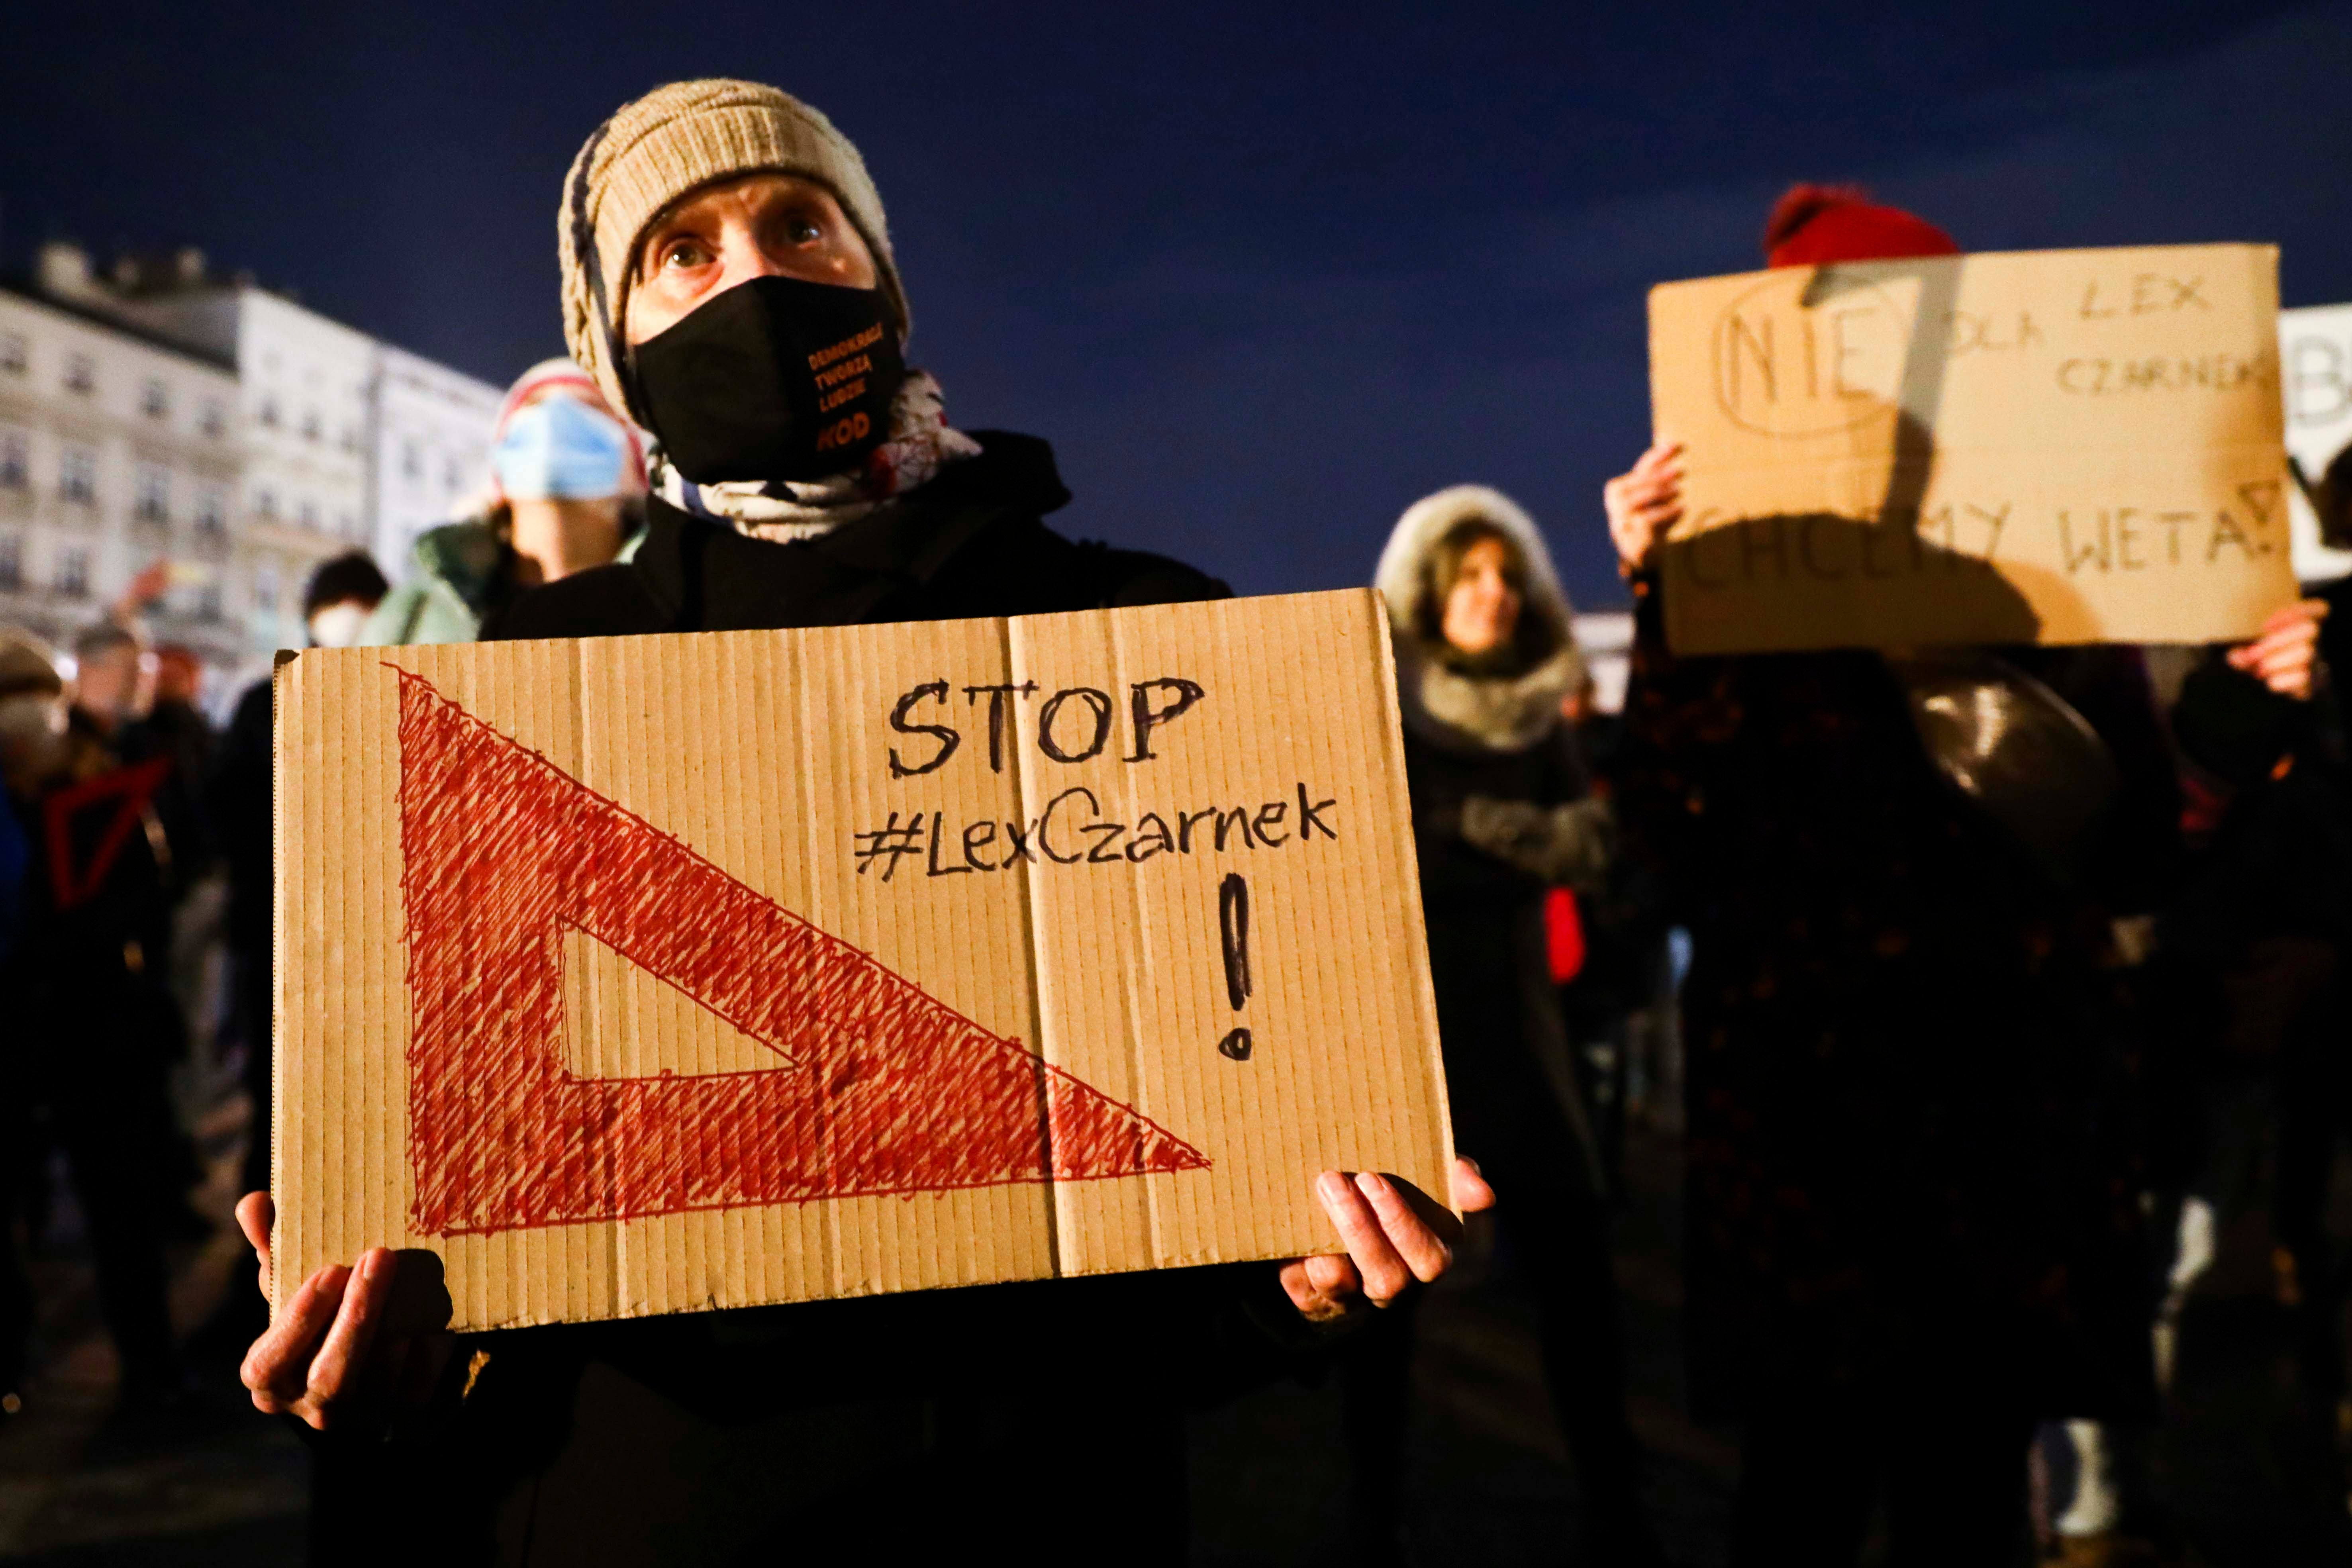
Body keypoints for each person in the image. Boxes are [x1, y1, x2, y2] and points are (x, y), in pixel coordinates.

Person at [234, 79, 1494, 1566]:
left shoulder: (1139, 642)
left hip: (1042, 1500)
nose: (755, 276)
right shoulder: (516, 687)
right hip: (647, 1509)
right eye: (682, 252)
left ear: (880, 279)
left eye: (799, 224)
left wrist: (1296, 1277)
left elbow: (1200, 1238)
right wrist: (405, 1347)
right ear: (615, 340)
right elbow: (491, 1253)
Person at [1600, 185, 2331, 1566]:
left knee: (1966, 1492)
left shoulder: (2047, 600)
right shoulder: (1740, 605)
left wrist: (2236, 728)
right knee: (1800, 1495)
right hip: (1808, 1140)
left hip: (2000, 1127)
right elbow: (1667, 840)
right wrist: (1660, 598)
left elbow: (2126, 861)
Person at [1345, 486, 1657, 1562]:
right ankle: (1369, 1528)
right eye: (1471, 573)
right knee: (1383, 1304)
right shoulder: (1376, 700)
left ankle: (1617, 1518)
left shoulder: (1533, 710)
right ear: (1432, 586)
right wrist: (1499, 841)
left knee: (1579, 1296)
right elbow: (1374, 852)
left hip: (1528, 1038)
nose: (1494, 592)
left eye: (1505, 575)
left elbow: (1590, 849)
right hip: (1410, 1039)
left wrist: (1467, 827)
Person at [3, 622, 195, 1409]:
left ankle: (145, 1370)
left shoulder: (91, 796)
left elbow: (145, 902)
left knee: (118, 1209)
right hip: (74, 1033)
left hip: (89, 1032)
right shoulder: (79, 791)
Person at [366, 360, 649, 645]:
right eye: (535, 405)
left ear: (637, 466)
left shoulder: (677, 596)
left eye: (591, 407)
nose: (554, 417)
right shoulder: (416, 613)